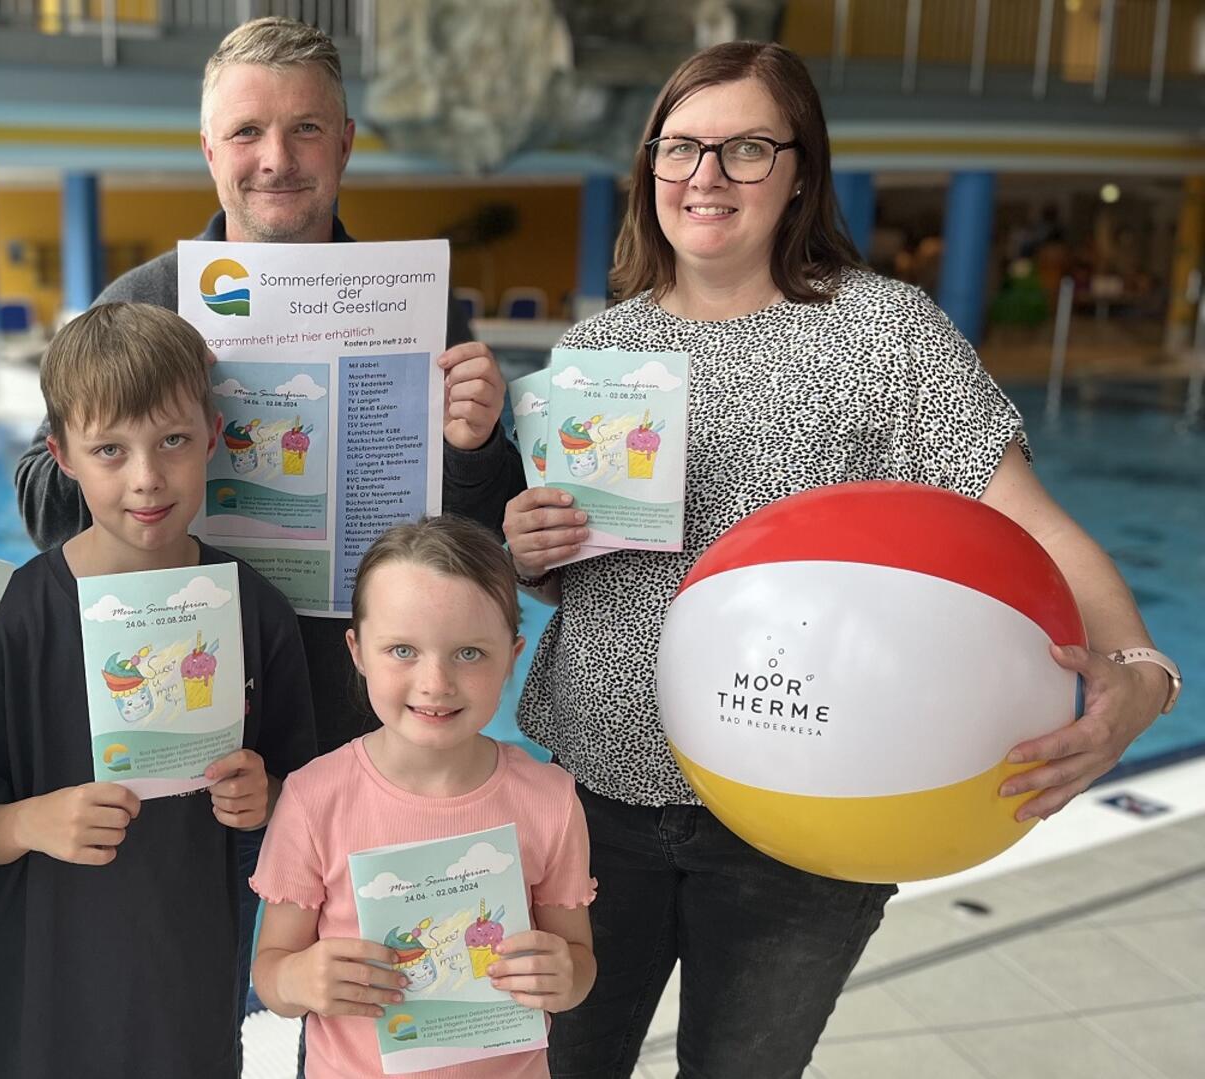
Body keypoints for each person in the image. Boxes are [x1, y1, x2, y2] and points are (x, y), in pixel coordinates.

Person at [503, 42, 1182, 1079]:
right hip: (598, 800)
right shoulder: (600, 350)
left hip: (809, 817)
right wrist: (532, 550)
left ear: (801, 170)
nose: (706, 176)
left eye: (744, 148)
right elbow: (582, 568)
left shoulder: (883, 335)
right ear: (650, 170)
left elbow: (1029, 524)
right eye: (680, 148)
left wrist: (1137, 667)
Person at [14, 16, 526, 756]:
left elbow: (481, 535)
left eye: (306, 129)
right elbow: (40, 503)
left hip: (360, 706)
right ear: (210, 151)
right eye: (248, 130)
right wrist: (150, 441)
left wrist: (475, 447)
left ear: (346, 143)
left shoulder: (412, 306)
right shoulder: (147, 304)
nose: (276, 159)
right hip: (195, 697)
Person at [0, 302, 318, 1078]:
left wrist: (267, 795)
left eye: (173, 441)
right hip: (41, 997)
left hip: (186, 990)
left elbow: (307, 802)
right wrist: (35, 820)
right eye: (111, 449)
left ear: (212, 437)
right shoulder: (10, 621)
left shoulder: (253, 613)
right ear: (63, 455)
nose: (147, 478)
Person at [250, 515, 597, 1078]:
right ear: (358, 650)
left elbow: (577, 964)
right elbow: (271, 974)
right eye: (402, 650)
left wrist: (565, 976)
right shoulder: (315, 798)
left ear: (512, 656)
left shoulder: (550, 799)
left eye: (469, 654)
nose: (436, 683)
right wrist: (299, 978)